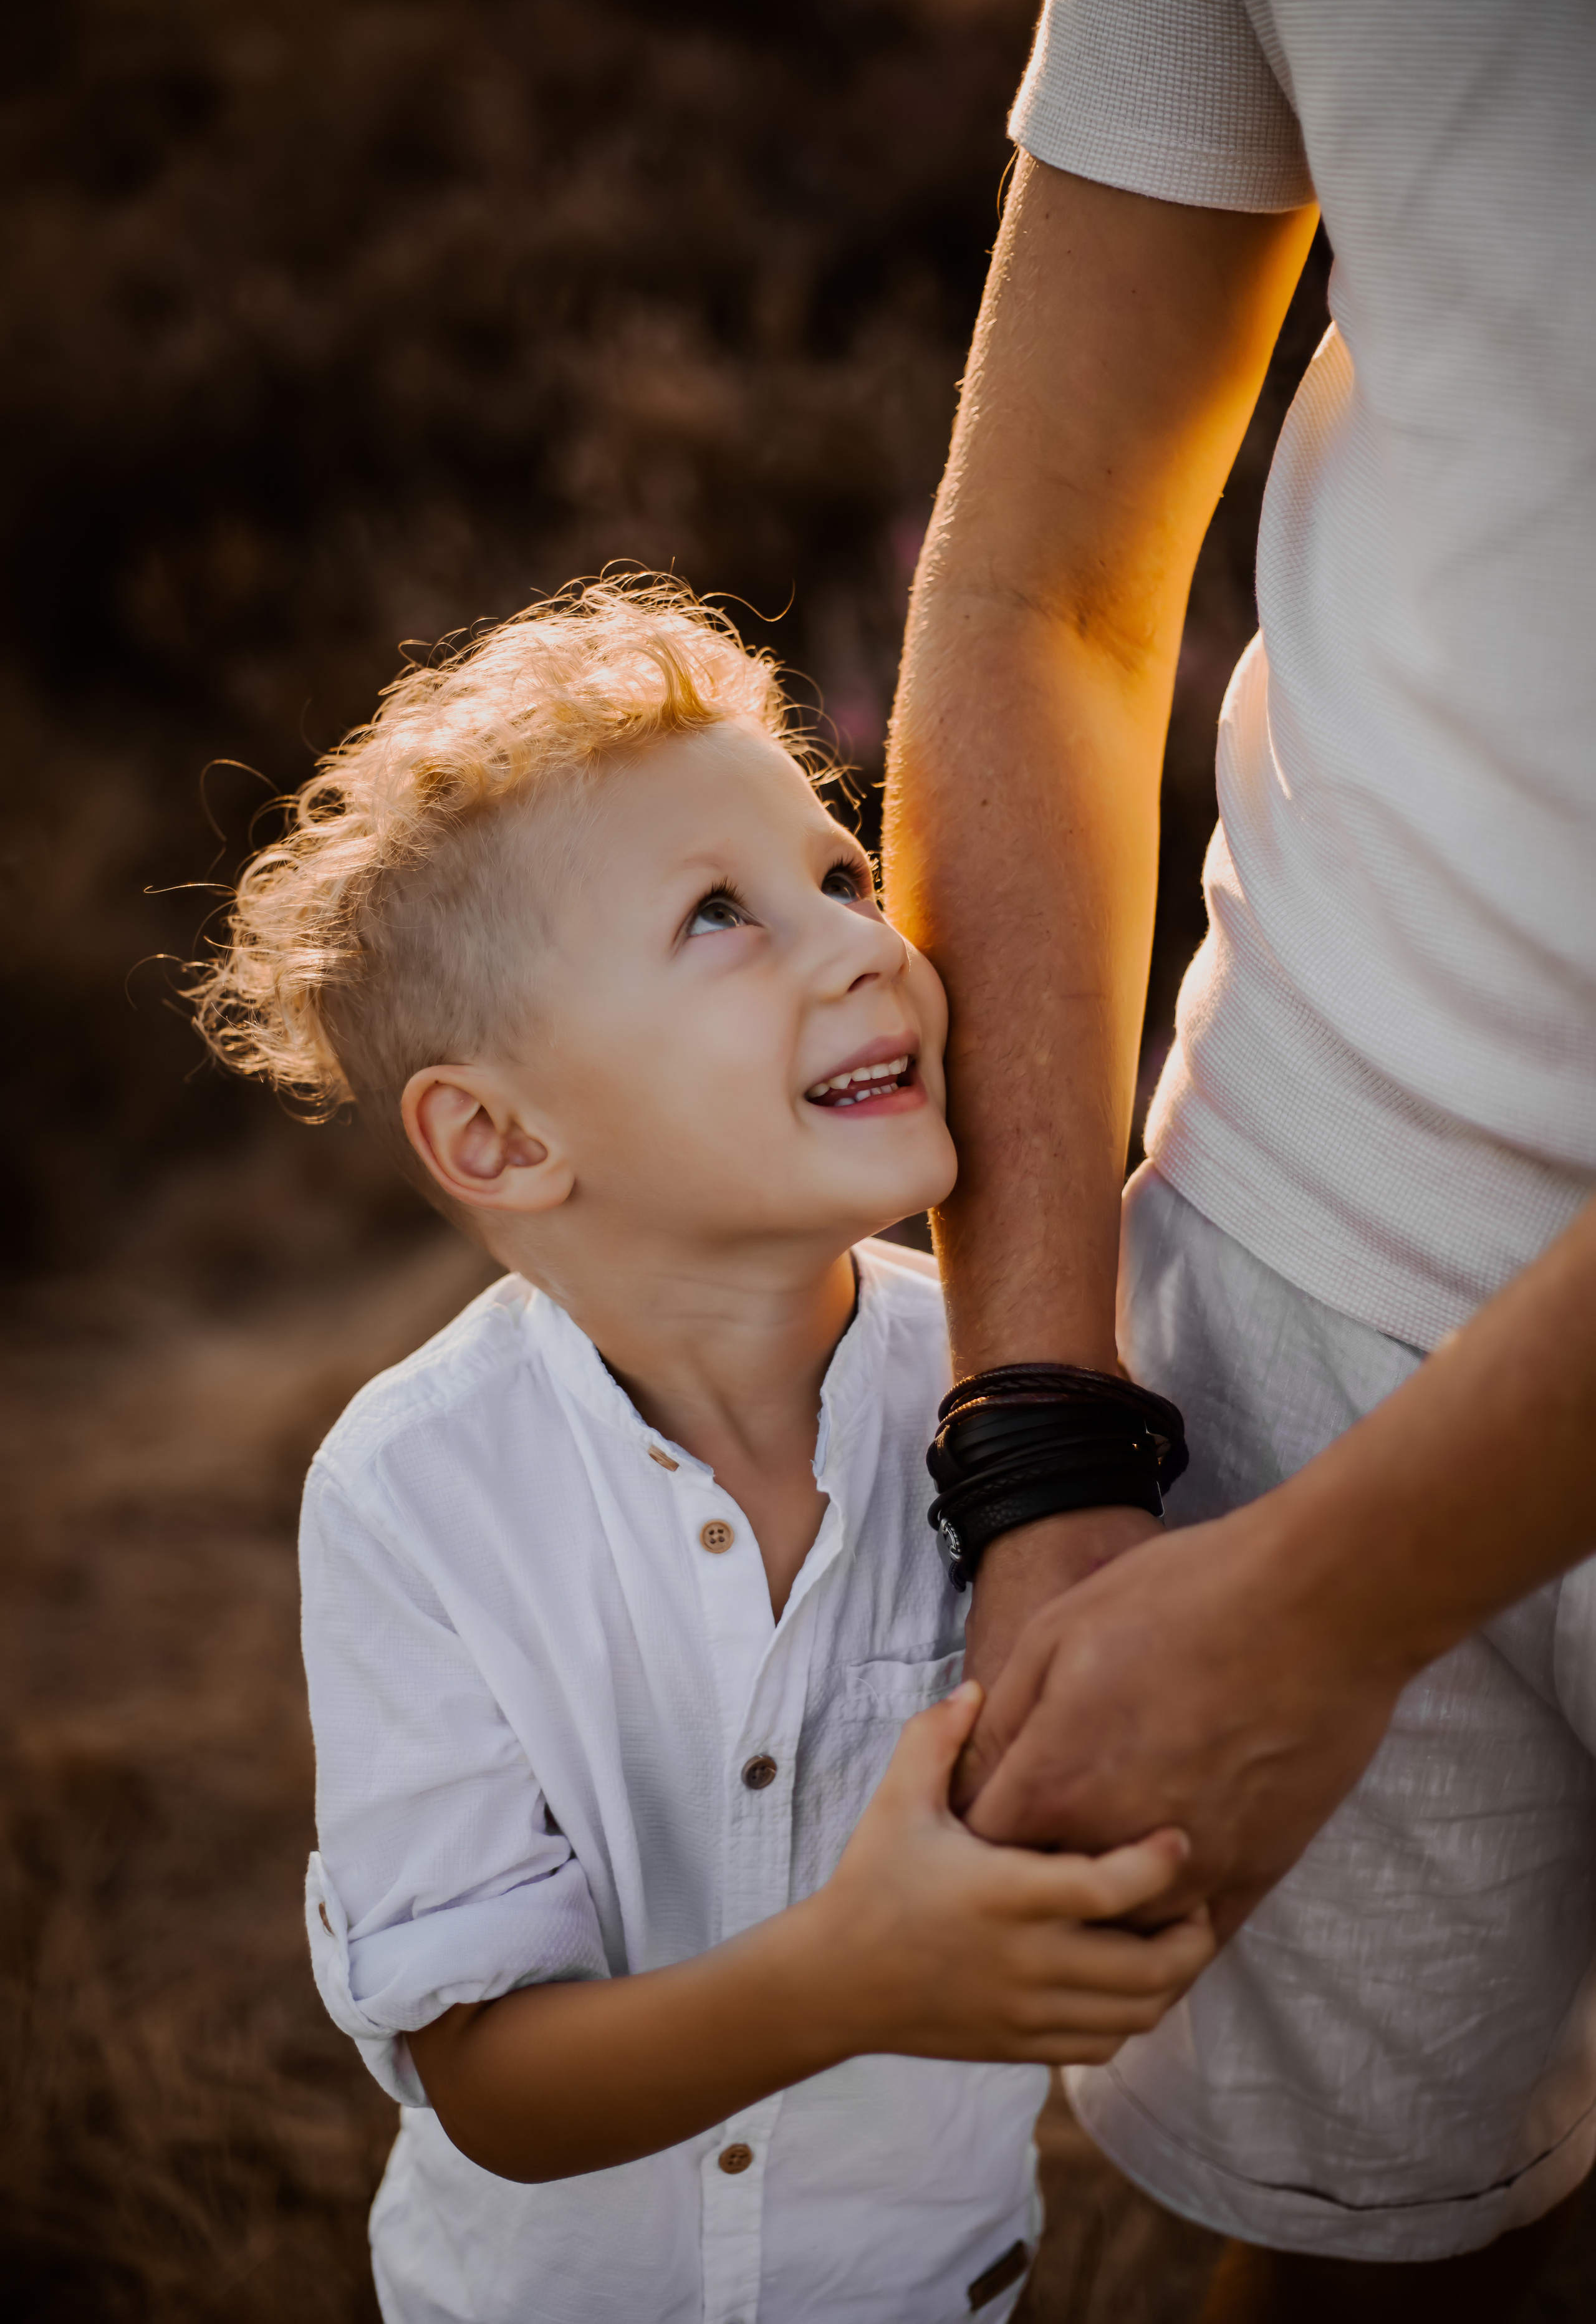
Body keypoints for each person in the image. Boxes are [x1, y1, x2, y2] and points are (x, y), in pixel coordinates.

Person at [189, 579, 1214, 2324]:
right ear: (501, 1137)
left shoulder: (1023, 1400)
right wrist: (857, 1975)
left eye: (839, 875)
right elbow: (493, 2087)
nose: (864, 945)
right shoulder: (415, 1496)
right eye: (720, 917)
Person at [884, 0, 1596, 2317]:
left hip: (1324, 1534)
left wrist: (1324, 1610)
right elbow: (1041, 592)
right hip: (1290, 1272)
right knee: (1363, 2272)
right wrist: (1047, 1449)